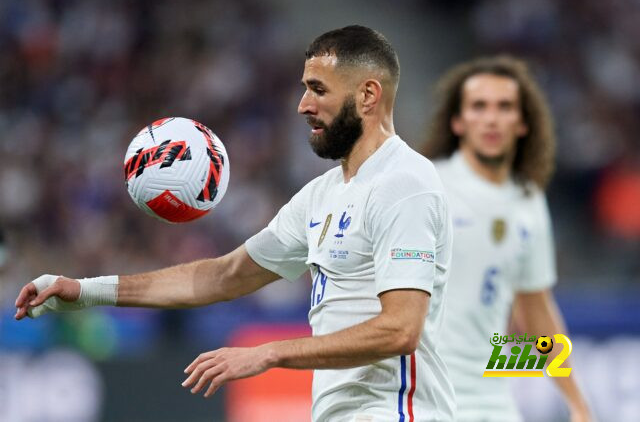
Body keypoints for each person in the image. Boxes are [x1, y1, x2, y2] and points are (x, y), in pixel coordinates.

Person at [15, 26, 456, 421]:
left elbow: (401, 329)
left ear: (368, 95)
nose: (303, 105)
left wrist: (269, 353)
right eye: (304, 89)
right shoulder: (322, 194)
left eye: (318, 90)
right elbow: (222, 276)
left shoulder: (405, 183)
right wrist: (84, 290)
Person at [423, 55, 591, 421]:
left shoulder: (529, 200)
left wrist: (575, 400)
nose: (492, 118)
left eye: (505, 107)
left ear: (522, 123)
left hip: (494, 399)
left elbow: (536, 309)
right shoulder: (427, 187)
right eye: (479, 106)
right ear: (458, 121)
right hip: (424, 399)